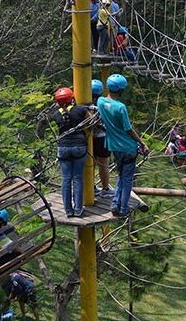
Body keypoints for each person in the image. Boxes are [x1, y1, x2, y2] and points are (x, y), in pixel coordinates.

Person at [97, 74, 150, 217]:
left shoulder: (100, 102)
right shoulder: (120, 107)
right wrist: (141, 143)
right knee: (127, 180)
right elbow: (128, 129)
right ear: (121, 90)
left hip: (114, 147)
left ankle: (115, 203)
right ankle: (122, 208)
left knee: (121, 175)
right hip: (128, 147)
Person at [52, 87, 89, 218]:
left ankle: (68, 210)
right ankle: (78, 209)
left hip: (63, 147)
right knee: (78, 178)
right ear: (72, 98)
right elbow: (91, 122)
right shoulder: (80, 110)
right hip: (79, 146)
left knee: (66, 179)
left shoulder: (56, 114)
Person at [91, 79, 113, 197]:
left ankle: (91, 187)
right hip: (102, 138)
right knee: (103, 164)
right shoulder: (104, 104)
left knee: (91, 163)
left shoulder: (84, 105)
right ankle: (105, 189)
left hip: (89, 139)